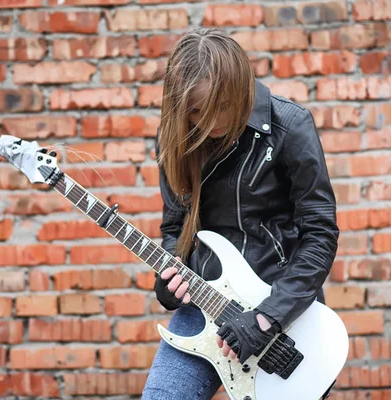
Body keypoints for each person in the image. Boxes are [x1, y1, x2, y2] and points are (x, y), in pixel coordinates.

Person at [142, 28, 340, 400]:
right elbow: (175, 226)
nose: (210, 121)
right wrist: (170, 275)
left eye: (220, 105)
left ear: (240, 89)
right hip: (205, 306)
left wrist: (267, 318)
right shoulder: (176, 137)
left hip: (284, 316)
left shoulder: (289, 127)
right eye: (196, 110)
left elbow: (320, 233)